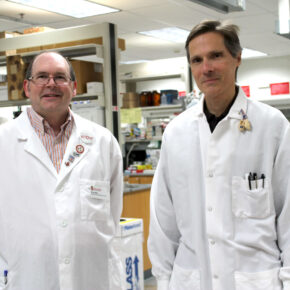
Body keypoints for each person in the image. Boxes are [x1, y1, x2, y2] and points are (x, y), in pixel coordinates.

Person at [148, 20, 290, 290]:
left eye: (216, 56)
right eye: (197, 60)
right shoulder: (176, 132)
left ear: (237, 58)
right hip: (191, 280)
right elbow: (162, 221)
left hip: (255, 281)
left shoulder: (273, 126)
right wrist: (164, 281)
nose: (207, 68)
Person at [0, 51, 123, 290]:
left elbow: (113, 214)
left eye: (60, 77)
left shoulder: (102, 141)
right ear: (27, 87)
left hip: (92, 279)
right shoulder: (3, 141)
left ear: (74, 87)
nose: (51, 84)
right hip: (26, 279)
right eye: (42, 76)